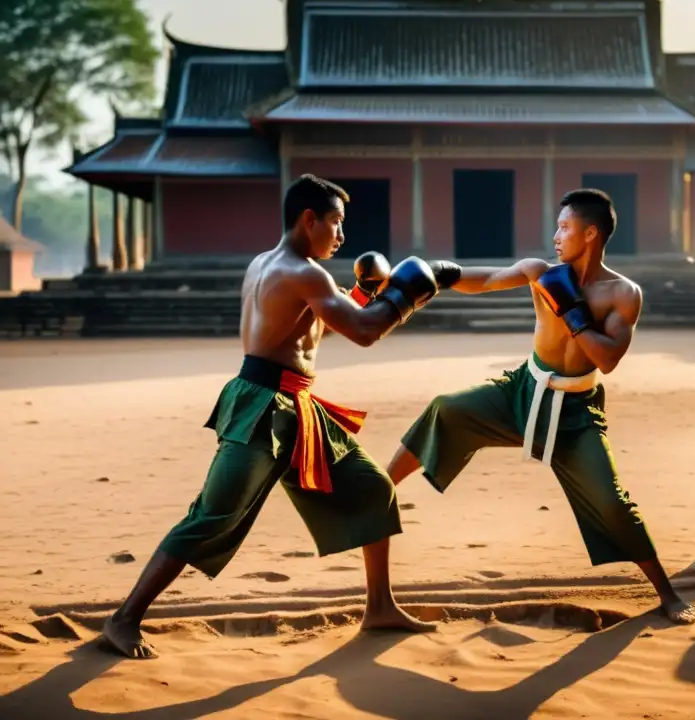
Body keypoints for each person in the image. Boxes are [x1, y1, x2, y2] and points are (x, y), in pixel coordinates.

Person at [102, 174, 444, 659]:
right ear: (309, 220)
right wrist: (405, 297)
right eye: (336, 224)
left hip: (295, 408)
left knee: (372, 488)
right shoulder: (307, 273)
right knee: (212, 516)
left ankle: (380, 607)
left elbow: (308, 335)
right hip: (264, 407)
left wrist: (365, 297)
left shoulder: (266, 262)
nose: (342, 236)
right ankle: (123, 619)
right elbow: (366, 334)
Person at [385, 188, 695, 625]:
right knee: (447, 408)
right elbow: (489, 280)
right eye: (556, 226)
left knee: (612, 503)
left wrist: (571, 311)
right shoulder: (539, 271)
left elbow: (607, 359)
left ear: (590, 233)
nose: (556, 235)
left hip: (577, 410)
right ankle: (380, 488)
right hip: (524, 391)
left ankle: (666, 591)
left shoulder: (623, 293)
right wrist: (437, 275)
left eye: (565, 227)